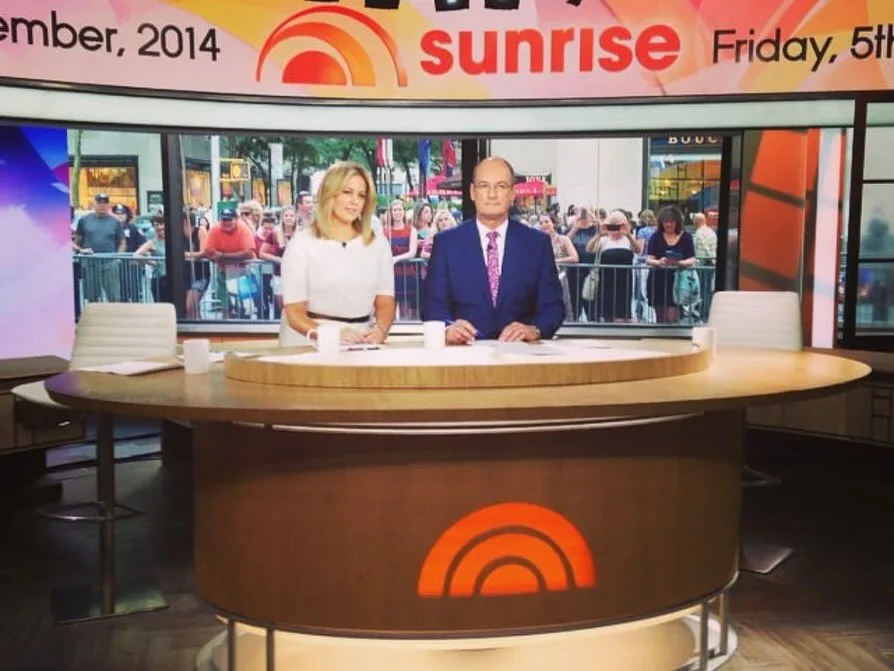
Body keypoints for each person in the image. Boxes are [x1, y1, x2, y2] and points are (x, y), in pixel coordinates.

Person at [421, 156, 564, 344]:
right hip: (463, 353)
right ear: (472, 192)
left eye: (501, 186)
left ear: (512, 193)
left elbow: (553, 308)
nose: (492, 194)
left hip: (521, 354)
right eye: (484, 186)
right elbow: (432, 306)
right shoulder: (446, 244)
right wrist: (448, 328)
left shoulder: (537, 244)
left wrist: (534, 330)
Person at [280, 161, 395, 345]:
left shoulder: (378, 244)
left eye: (361, 195)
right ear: (329, 194)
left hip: (361, 343)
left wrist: (381, 330)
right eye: (347, 192)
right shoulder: (301, 244)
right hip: (308, 344)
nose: (354, 201)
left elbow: (385, 301)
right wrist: (330, 335)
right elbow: (294, 313)